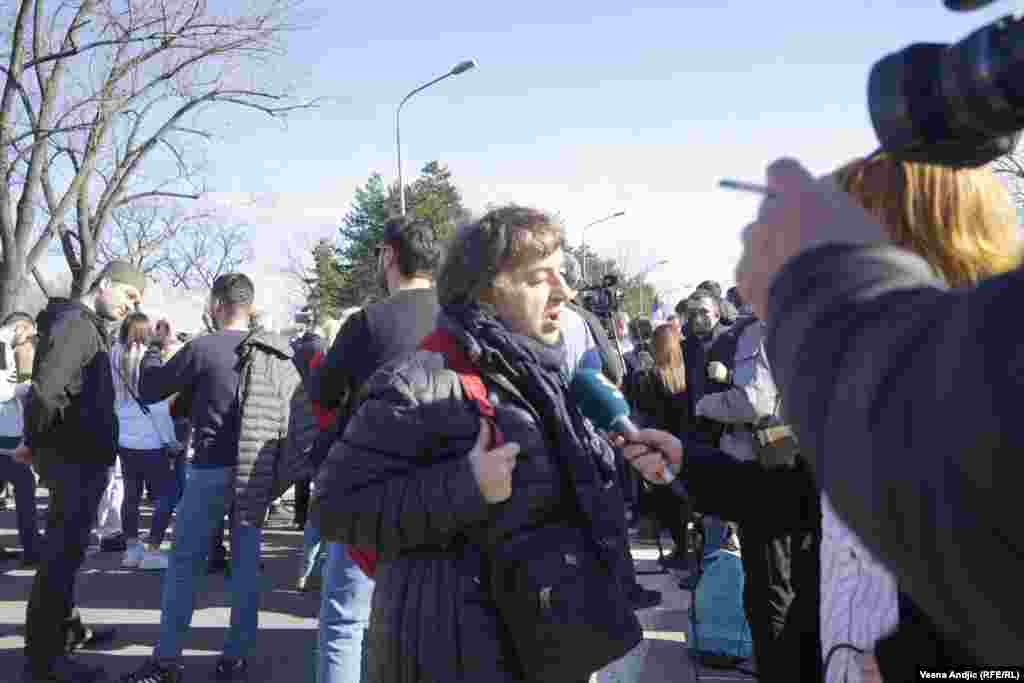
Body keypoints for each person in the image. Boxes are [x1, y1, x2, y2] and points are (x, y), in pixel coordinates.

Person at [311, 205, 639, 683]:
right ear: (486, 290)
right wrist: (465, 485)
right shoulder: (420, 382)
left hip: (538, 647)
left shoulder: (538, 375)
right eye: (538, 278)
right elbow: (334, 507)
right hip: (455, 655)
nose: (564, 293)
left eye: (561, 275)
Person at [734, 157, 1024, 666]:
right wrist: (686, 466)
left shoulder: (994, 387)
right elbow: (801, 498)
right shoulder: (874, 375)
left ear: (923, 233)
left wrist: (916, 669)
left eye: (853, 227)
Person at [121, 273, 302, 683]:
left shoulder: (202, 348)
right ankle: (235, 658)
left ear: (217, 305)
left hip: (207, 469)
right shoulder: (277, 352)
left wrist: (154, 346)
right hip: (256, 471)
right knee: (244, 568)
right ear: (250, 307)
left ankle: (167, 660)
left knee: (185, 563)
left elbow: (150, 388)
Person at [308, 216, 441, 683]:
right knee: (432, 624)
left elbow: (323, 394)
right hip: (446, 487)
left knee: (346, 621)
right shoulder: (462, 318)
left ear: (388, 256)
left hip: (369, 484)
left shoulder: (367, 321)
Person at [16, 260, 145, 683]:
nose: (132, 305)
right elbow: (47, 391)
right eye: (129, 295)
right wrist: (36, 445)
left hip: (80, 460)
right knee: (59, 561)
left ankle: (67, 632)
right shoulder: (76, 324)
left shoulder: (84, 325)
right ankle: (46, 662)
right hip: (74, 462)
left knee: (66, 559)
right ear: (105, 285)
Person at [113, 312, 179, 572]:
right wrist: (171, 441)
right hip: (151, 439)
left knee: (131, 494)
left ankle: (131, 548)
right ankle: (153, 549)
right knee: (165, 495)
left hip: (124, 435)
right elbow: (159, 408)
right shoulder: (149, 358)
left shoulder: (114, 354)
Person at [0, 312, 41, 567]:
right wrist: (23, 389)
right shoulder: (2, 345)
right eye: (29, 335)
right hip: (6, 436)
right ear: (20, 329)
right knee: (26, 490)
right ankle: (31, 548)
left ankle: (31, 546)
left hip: (8, 432)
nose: (28, 343)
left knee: (25, 490)